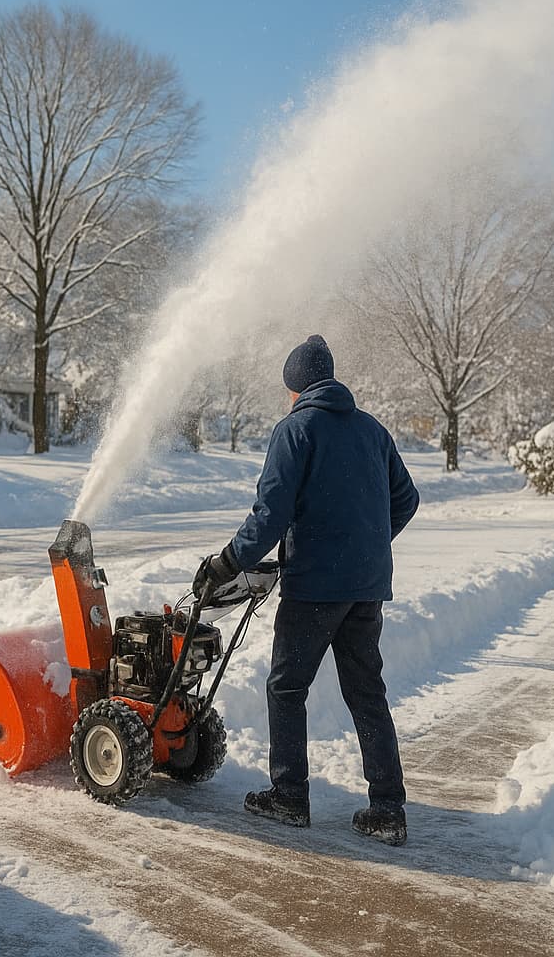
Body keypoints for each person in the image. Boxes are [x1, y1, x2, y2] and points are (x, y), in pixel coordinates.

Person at [192, 334, 419, 845]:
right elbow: (407, 498)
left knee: (286, 687)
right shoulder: (372, 430)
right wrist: (367, 545)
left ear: (295, 387)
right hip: (366, 589)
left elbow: (270, 514)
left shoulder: (296, 429)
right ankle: (388, 808)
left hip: (315, 588)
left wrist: (226, 563)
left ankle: (289, 796)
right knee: (367, 692)